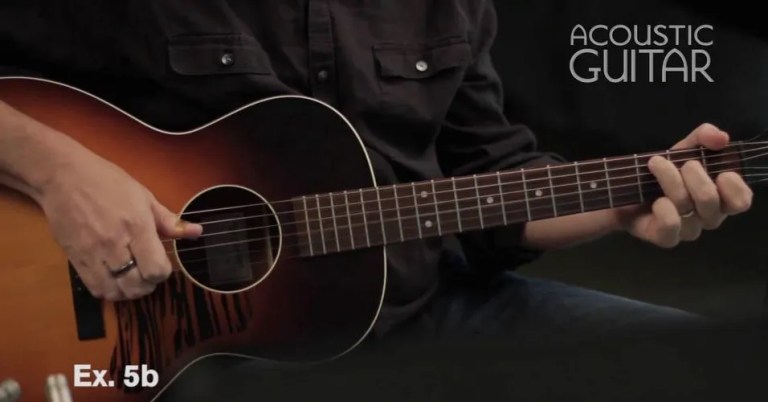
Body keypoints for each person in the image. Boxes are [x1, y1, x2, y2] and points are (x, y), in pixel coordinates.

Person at [0, 1, 754, 400]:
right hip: (175, 357)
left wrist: (627, 200)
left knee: (711, 369)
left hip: (417, 314)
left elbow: (493, 170)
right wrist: (57, 173)